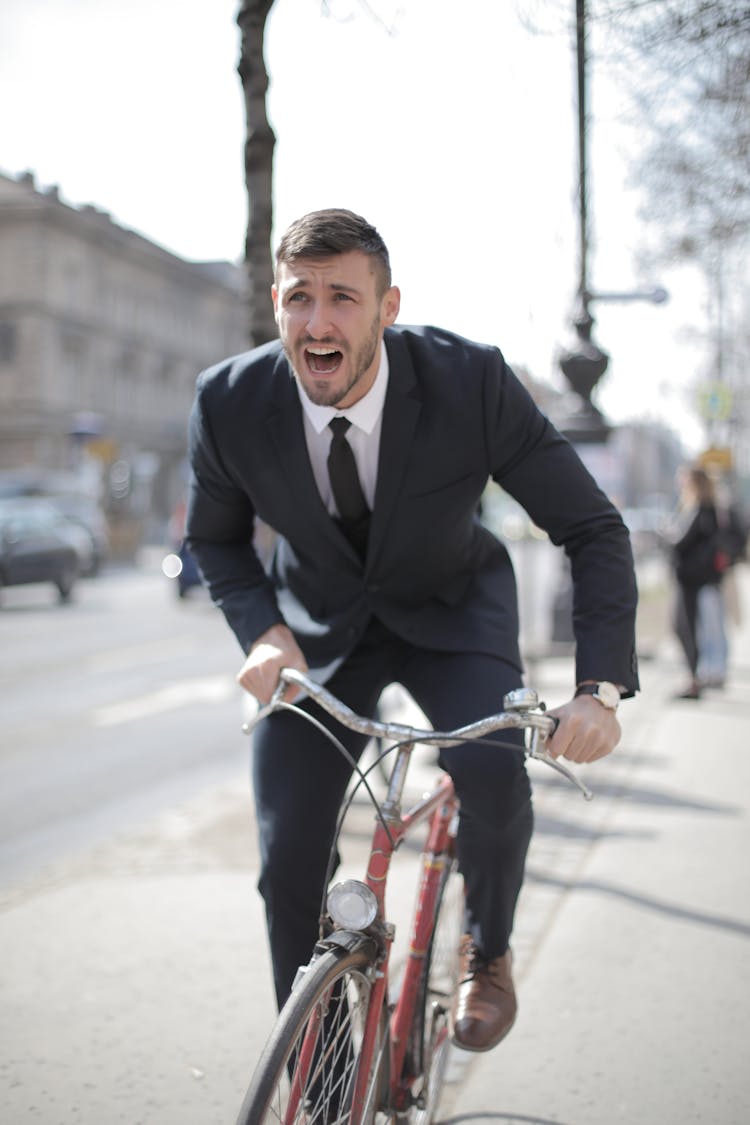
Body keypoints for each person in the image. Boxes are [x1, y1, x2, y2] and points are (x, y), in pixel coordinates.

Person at [186, 208, 639, 1053]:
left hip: (453, 611)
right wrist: (262, 632)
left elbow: (593, 528)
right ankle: (320, 1060)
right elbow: (213, 538)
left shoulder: (470, 381)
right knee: (288, 857)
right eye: (299, 298)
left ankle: (488, 948)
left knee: (492, 777)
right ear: (279, 304)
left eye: (343, 299)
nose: (317, 323)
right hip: (314, 633)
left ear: (389, 305)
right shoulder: (230, 400)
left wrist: (597, 688)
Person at [670, 466, 726, 699]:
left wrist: (669, 534)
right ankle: (696, 677)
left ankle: (696, 679)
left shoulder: (702, 509)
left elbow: (680, 540)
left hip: (696, 580)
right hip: (694, 579)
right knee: (689, 628)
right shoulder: (698, 508)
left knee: (692, 629)